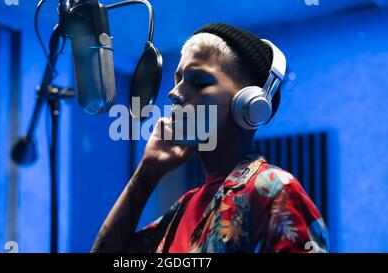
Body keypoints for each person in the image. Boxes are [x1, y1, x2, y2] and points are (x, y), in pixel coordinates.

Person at [91, 23, 329, 253]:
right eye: (178, 79)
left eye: (199, 81)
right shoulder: (183, 209)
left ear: (249, 105)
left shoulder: (275, 189)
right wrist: (148, 170)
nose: (173, 93)